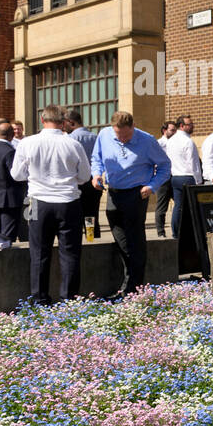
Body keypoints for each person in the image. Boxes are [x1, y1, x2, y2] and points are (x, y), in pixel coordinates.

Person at [10, 107, 90, 303]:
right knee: (70, 253)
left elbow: (17, 175)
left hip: (35, 200)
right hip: (68, 201)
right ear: (63, 121)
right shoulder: (73, 144)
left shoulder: (27, 143)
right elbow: (85, 176)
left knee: (37, 251)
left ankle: (39, 299)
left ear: (41, 119)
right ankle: (69, 299)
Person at [91, 110, 171, 299]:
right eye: (119, 136)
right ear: (113, 129)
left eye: (127, 135)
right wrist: (96, 174)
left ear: (133, 127)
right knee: (120, 236)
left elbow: (165, 166)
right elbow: (96, 158)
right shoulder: (104, 135)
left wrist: (152, 186)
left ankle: (133, 287)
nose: (123, 140)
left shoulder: (147, 140)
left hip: (136, 193)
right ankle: (130, 280)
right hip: (113, 192)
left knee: (135, 239)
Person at [62, 109, 102, 235]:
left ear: (71, 122)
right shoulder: (95, 137)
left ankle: (78, 244)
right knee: (91, 215)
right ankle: (92, 241)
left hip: (75, 182)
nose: (63, 126)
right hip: (93, 182)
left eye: (64, 123)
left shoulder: (69, 139)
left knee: (75, 217)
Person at [164, 115, 203, 238]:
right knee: (193, 208)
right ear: (181, 126)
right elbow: (193, 163)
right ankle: (191, 233)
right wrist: (199, 181)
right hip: (188, 176)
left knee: (178, 206)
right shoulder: (188, 141)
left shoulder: (170, 141)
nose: (192, 126)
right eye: (189, 124)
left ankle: (176, 233)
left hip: (175, 177)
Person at [153, 120, 177, 236]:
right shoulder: (158, 144)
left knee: (179, 204)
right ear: (164, 130)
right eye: (172, 130)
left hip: (176, 176)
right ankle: (161, 232)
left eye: (175, 130)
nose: (174, 133)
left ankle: (176, 230)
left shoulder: (178, 142)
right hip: (163, 178)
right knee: (162, 206)